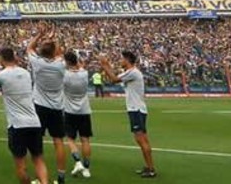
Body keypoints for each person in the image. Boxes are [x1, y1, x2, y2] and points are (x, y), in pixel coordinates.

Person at [0, 46, 50, 184]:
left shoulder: (0, 76)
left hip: (17, 125)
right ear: (14, 57)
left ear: (1, 58)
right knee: (38, 160)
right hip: (34, 122)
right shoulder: (26, 73)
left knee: (21, 165)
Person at [100, 51, 156, 178]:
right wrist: (107, 66)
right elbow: (114, 77)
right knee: (143, 139)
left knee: (141, 140)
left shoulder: (133, 72)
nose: (121, 61)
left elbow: (114, 79)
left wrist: (104, 65)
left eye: (122, 59)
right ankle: (149, 167)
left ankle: (151, 169)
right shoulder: (130, 73)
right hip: (138, 109)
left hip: (136, 109)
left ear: (127, 60)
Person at [27, 27, 68, 184]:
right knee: (59, 142)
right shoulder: (60, 64)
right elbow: (60, 53)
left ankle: (40, 177)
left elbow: (29, 47)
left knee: (37, 142)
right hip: (57, 107)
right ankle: (61, 176)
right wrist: (53, 39)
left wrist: (40, 35)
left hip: (39, 106)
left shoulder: (37, 63)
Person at [62, 51, 94, 179]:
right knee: (85, 139)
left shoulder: (65, 75)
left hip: (70, 111)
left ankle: (78, 161)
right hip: (84, 110)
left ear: (67, 62)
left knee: (70, 139)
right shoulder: (84, 73)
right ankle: (86, 168)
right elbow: (81, 66)